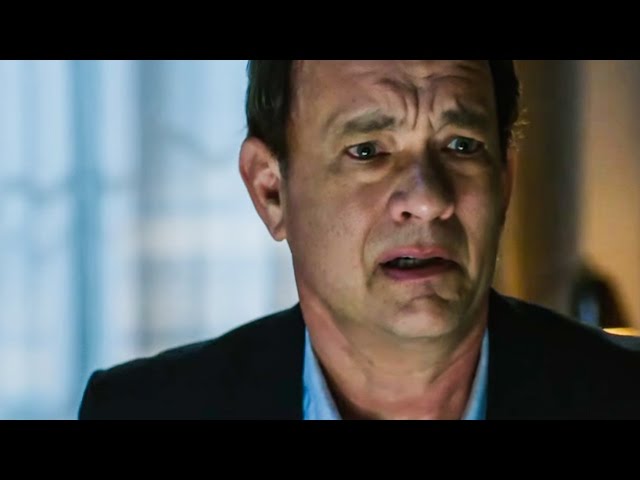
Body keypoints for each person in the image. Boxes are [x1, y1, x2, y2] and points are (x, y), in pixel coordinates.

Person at [78, 60, 640, 420]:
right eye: (368, 151)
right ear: (271, 191)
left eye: (462, 146)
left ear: (505, 180)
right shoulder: (143, 410)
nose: (428, 199)